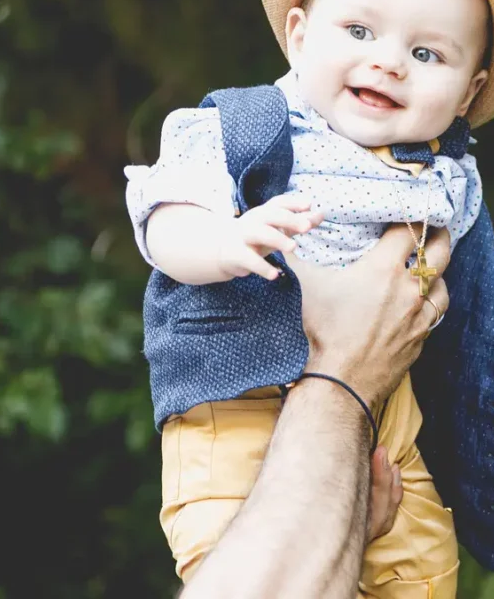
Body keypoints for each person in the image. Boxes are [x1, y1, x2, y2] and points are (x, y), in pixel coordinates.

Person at [125, 0, 494, 596]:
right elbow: (162, 216)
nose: (389, 62)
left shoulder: (446, 180)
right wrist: (221, 240)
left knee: (424, 565)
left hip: (388, 410)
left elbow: (450, 302)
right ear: (299, 35)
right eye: (360, 30)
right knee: (243, 544)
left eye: (426, 53)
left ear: (469, 93)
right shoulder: (244, 127)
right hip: (240, 394)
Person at [179, 226, 453, 599]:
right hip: (250, 387)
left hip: (339, 403)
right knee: (427, 569)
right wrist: (342, 378)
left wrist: (339, 528)